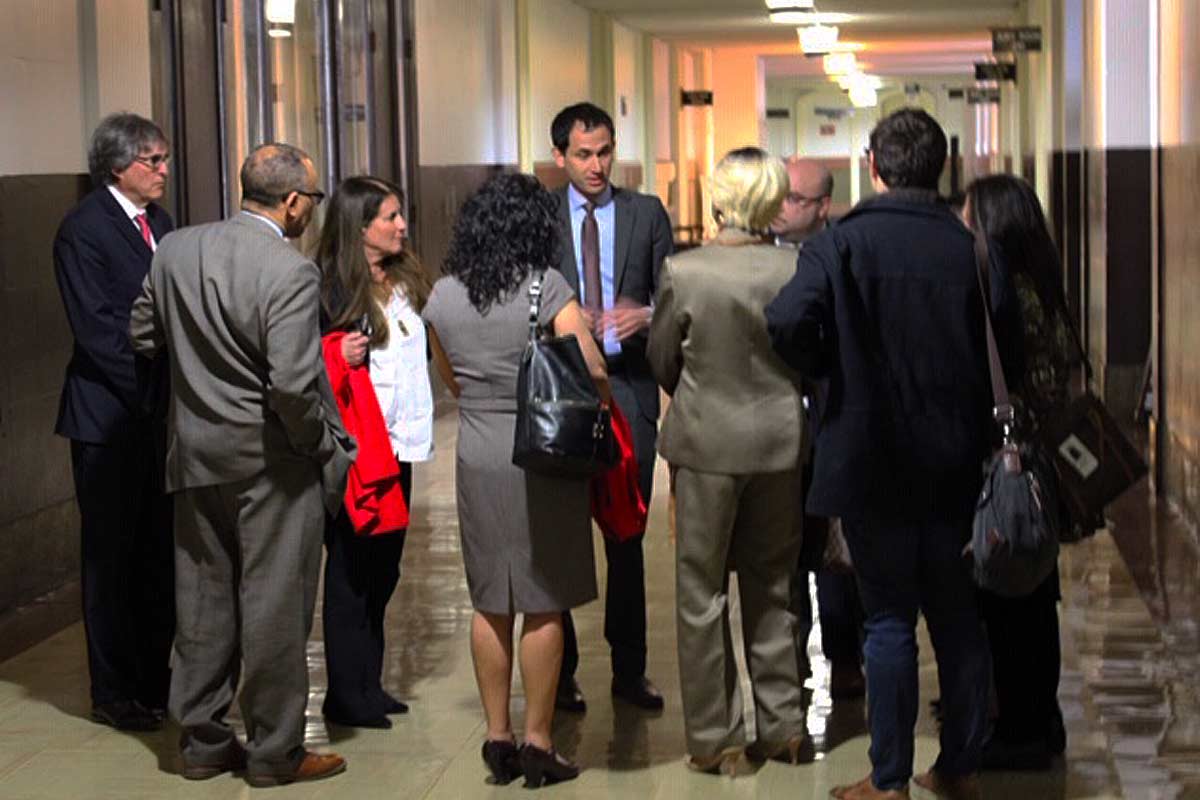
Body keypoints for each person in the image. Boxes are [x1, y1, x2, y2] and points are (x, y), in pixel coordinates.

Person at [766, 108, 1023, 800]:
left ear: (873, 167)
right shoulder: (972, 249)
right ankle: (960, 768)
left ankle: (889, 781)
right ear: (941, 167)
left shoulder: (841, 243)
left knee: (886, 621)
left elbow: (787, 321)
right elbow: (1012, 345)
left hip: (867, 457)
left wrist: (825, 371)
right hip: (956, 463)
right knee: (957, 618)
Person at [129, 143, 354, 787]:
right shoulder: (288, 270)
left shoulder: (175, 250)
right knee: (275, 610)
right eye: (309, 201)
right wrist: (317, 446)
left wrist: (199, 383)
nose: (309, 211)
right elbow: (291, 384)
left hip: (194, 454)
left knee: (202, 606)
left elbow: (142, 335)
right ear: (290, 203)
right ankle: (274, 752)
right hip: (271, 466)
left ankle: (200, 743)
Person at [423, 173, 606, 788]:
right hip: (541, 453)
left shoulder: (443, 294)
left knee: (490, 598)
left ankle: (497, 738)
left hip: (476, 450)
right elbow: (591, 369)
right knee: (543, 596)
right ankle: (538, 742)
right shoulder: (547, 286)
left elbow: (450, 378)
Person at [648, 147, 808, 773]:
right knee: (773, 583)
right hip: (779, 443)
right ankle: (785, 726)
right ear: (772, 201)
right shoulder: (795, 268)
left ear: (718, 199)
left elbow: (663, 360)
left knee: (701, 592)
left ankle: (718, 739)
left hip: (706, 445)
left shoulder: (684, 272)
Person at [53, 112, 176, 732]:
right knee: (111, 557)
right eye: (151, 160)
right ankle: (114, 690)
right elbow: (100, 333)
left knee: (157, 550)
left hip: (156, 416)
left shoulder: (160, 223)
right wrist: (155, 391)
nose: (162, 170)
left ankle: (158, 682)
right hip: (108, 417)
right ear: (117, 165)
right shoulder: (85, 230)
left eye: (163, 159)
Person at [549, 101, 672, 713]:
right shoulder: (543, 219)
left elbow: (672, 295)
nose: (596, 166)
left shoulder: (646, 213)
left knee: (628, 533)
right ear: (560, 158)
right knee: (564, 532)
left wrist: (645, 314)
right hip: (565, 390)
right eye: (583, 155)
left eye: (604, 152)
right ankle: (562, 673)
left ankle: (631, 670)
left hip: (629, 385)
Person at [315, 176, 433, 729]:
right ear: (360, 227)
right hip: (357, 449)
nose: (401, 225)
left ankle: (370, 681)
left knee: (385, 570)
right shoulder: (330, 291)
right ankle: (345, 692)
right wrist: (338, 350)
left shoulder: (406, 280)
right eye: (389, 217)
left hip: (400, 446)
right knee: (350, 572)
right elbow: (301, 363)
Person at [963, 174, 1072, 770]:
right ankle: (1040, 717)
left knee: (1005, 593)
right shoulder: (1044, 283)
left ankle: (1019, 726)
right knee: (1035, 589)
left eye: (970, 217)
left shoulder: (1005, 294)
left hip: (1009, 465)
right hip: (1041, 461)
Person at [771, 156, 866, 700]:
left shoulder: (842, 255)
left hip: (831, 419)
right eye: (779, 196)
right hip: (777, 423)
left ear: (823, 206)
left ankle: (844, 656)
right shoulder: (756, 257)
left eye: (796, 199)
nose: (783, 208)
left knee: (834, 552)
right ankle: (793, 660)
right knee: (784, 551)